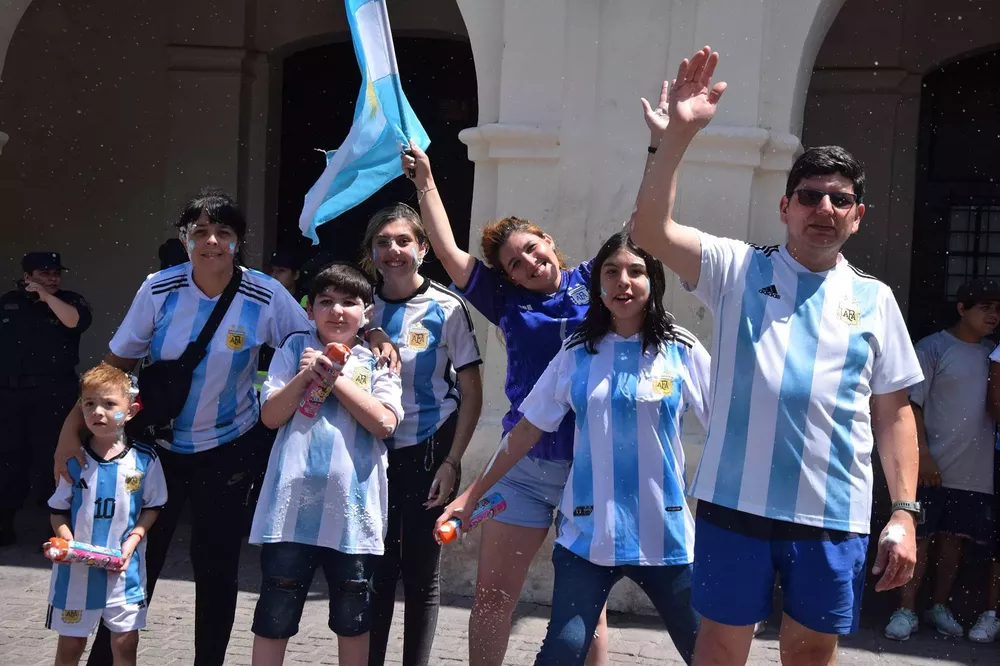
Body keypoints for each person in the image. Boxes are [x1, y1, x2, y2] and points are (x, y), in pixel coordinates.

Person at [629, 47, 924, 665]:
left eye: (840, 200)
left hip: (833, 512)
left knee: (813, 653)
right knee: (718, 649)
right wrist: (677, 137)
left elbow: (893, 411)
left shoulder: (875, 299)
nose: (825, 209)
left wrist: (903, 512)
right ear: (785, 207)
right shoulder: (738, 269)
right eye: (810, 197)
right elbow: (651, 232)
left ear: (858, 216)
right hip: (735, 503)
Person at [52, 188, 399, 666]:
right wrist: (71, 431)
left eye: (224, 232)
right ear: (185, 238)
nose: (212, 241)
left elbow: (322, 327)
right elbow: (115, 364)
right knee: (133, 563)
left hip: (228, 451)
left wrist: (374, 332)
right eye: (200, 232)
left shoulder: (265, 293)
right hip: (158, 449)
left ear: (239, 241)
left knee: (216, 571)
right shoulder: (159, 288)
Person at [437, 231, 708, 665]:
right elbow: (526, 430)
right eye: (611, 272)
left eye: (636, 272)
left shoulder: (681, 347)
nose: (623, 282)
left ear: (653, 280)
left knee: (709, 654)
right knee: (561, 652)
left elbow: (726, 431)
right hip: (587, 537)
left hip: (665, 535)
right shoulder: (577, 350)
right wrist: (469, 498)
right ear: (597, 283)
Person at [401, 143, 609, 666]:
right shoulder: (508, 301)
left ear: (549, 242)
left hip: (591, 468)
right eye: (515, 264)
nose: (529, 264)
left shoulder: (598, 282)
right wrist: (426, 179)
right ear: (508, 277)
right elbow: (448, 251)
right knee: (494, 597)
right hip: (523, 467)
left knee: (587, 606)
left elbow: (643, 233)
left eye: (533, 250)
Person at [249, 263, 403, 666]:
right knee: (275, 610)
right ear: (310, 309)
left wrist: (336, 378)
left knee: (353, 614)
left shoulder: (377, 359)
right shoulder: (292, 349)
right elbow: (270, 416)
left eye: (349, 302)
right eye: (326, 302)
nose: (337, 311)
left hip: (353, 511)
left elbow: (385, 423)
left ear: (367, 312)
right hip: (291, 508)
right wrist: (304, 377)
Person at [362, 203, 484, 666]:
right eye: (382, 242)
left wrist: (452, 462)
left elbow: (471, 393)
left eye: (403, 241)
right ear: (371, 251)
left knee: (420, 573)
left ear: (423, 248)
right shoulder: (360, 305)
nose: (393, 251)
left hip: (429, 449)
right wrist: (370, 329)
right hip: (370, 452)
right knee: (373, 570)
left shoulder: (446, 307)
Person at [885, 278, 1000, 642]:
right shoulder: (933, 347)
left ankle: (938, 606)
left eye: (998, 310)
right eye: (985, 308)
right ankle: (905, 609)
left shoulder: (993, 354)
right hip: (931, 467)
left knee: (954, 540)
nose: (993, 316)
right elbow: (911, 405)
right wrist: (923, 454)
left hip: (975, 470)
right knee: (919, 537)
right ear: (962, 309)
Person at [46, 363, 167, 666]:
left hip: (124, 573)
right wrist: (70, 545)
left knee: (125, 645)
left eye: (109, 404)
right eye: (89, 404)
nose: (97, 411)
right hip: (76, 575)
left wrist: (134, 539)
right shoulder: (73, 460)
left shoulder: (145, 460)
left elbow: (153, 506)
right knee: (71, 646)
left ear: (131, 411)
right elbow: (57, 511)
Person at [0, 251, 92, 546]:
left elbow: (75, 322)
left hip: (53, 392)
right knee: (8, 458)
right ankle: (5, 522)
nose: (52, 278)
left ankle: (55, 523)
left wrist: (47, 297)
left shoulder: (69, 301)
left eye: (55, 273)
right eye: (44, 274)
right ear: (27, 277)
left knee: (50, 457)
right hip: (10, 393)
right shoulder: (8, 304)